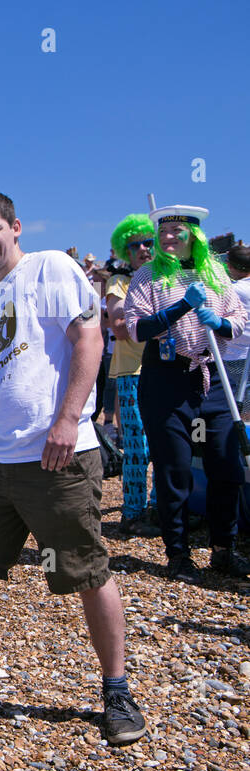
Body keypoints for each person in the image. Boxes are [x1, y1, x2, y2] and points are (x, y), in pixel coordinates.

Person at [0, 189, 144, 746]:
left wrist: (68, 418)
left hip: (57, 452)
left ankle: (117, 688)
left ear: (15, 228)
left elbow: (89, 338)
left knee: (86, 570)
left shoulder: (49, 268)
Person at [123, 204, 248, 581]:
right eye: (163, 231)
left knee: (227, 466)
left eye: (177, 231)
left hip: (211, 377)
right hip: (167, 380)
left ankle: (223, 549)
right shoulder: (148, 275)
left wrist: (222, 322)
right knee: (174, 467)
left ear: (194, 236)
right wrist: (181, 307)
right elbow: (137, 328)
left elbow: (240, 322)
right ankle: (177, 553)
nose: (168, 238)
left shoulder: (216, 274)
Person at [103, 214, 161, 538]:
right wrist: (159, 319)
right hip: (131, 371)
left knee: (164, 443)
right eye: (134, 244)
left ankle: (158, 506)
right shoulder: (118, 283)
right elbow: (120, 328)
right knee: (136, 445)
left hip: (163, 369)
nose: (142, 248)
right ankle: (133, 512)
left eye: (147, 242)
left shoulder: (164, 278)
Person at [222, 242, 250, 419]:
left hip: (234, 358)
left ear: (229, 266)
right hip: (244, 357)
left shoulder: (232, 290)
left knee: (237, 414)